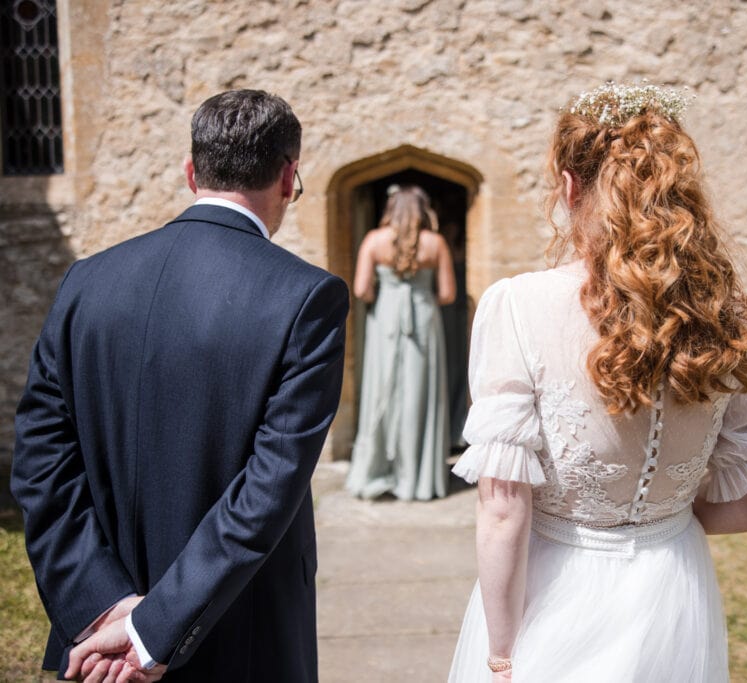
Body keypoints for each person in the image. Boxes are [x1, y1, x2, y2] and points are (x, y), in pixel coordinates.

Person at [447, 83, 747, 681]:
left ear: (571, 188)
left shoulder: (517, 305)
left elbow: (504, 513)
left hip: (555, 587)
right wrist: (662, 521)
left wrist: (501, 654)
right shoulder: (722, 312)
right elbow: (745, 511)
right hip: (674, 587)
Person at [10, 89, 348, 682]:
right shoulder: (306, 298)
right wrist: (152, 627)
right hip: (240, 625)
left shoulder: (86, 281)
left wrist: (101, 605)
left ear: (192, 172)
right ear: (288, 176)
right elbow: (268, 490)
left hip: (100, 641)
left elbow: (40, 460)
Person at [345, 184, 455, 501]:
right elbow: (447, 294)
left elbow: (362, 288)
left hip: (386, 321)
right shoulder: (435, 243)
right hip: (422, 319)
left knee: (382, 387)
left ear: (390, 208)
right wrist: (419, 296)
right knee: (420, 392)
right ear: (423, 210)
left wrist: (387, 295)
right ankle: (418, 479)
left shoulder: (373, 241)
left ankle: (378, 469)